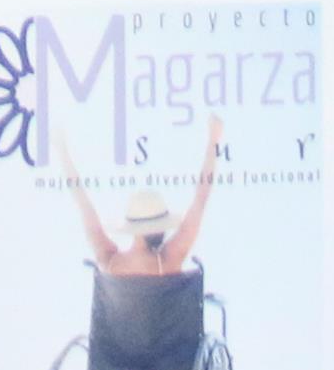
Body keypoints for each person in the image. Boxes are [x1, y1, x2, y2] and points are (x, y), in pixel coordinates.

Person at [66, 113, 221, 278]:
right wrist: (214, 139)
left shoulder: (109, 260)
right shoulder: (170, 260)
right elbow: (200, 199)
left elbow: (85, 207)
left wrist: (62, 152)